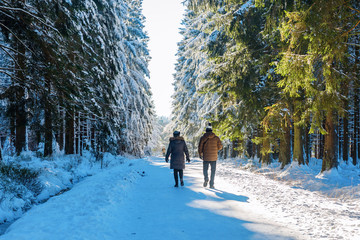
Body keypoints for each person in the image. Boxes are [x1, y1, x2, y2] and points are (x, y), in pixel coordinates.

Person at [198, 123, 222, 189]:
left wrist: (200, 154)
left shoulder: (203, 138)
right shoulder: (216, 138)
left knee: (205, 169)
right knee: (213, 171)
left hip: (206, 157)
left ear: (206, 131)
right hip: (214, 157)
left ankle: (206, 178)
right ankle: (211, 184)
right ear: (211, 131)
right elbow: (220, 147)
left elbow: (200, 147)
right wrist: (216, 148)